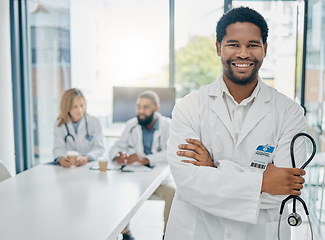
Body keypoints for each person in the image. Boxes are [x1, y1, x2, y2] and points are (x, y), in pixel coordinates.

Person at [165, 7, 306, 240]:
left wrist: (214, 171)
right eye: (233, 44)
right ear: (219, 48)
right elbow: (189, 183)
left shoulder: (290, 113)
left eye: (252, 45)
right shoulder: (188, 108)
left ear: (265, 50)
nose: (243, 53)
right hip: (198, 231)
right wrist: (262, 181)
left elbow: (284, 191)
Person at [109, 90, 175, 240]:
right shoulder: (131, 125)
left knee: (173, 193)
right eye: (138, 107)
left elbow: (171, 153)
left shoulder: (168, 126)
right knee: (116, 190)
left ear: (156, 108)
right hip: (135, 179)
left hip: (160, 180)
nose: (141, 111)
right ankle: (125, 233)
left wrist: (145, 159)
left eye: (146, 107)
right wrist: (118, 155)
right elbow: (115, 147)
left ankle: (167, 235)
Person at [53, 88, 105, 167]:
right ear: (67, 107)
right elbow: (58, 148)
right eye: (75, 107)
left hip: (89, 166)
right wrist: (61, 159)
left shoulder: (94, 122)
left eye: (82, 105)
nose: (80, 110)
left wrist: (86, 158)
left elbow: (99, 148)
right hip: (68, 168)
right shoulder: (59, 125)